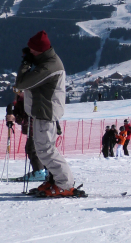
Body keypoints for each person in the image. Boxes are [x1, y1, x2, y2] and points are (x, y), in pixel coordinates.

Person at [14, 30, 83, 197]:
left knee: (46, 150)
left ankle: (64, 183)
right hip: (42, 111)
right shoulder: (45, 61)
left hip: (46, 112)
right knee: (43, 149)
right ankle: (54, 180)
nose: (29, 52)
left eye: (32, 50)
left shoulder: (49, 66)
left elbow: (21, 83)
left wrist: (25, 64)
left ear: (40, 50)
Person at [13, 91, 47, 181]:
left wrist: (18, 119)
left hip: (35, 129)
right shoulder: (20, 102)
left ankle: (39, 171)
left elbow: (29, 118)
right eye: (16, 90)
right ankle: (44, 171)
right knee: (36, 149)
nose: (18, 93)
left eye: (20, 90)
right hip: (32, 129)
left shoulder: (29, 101)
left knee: (32, 149)